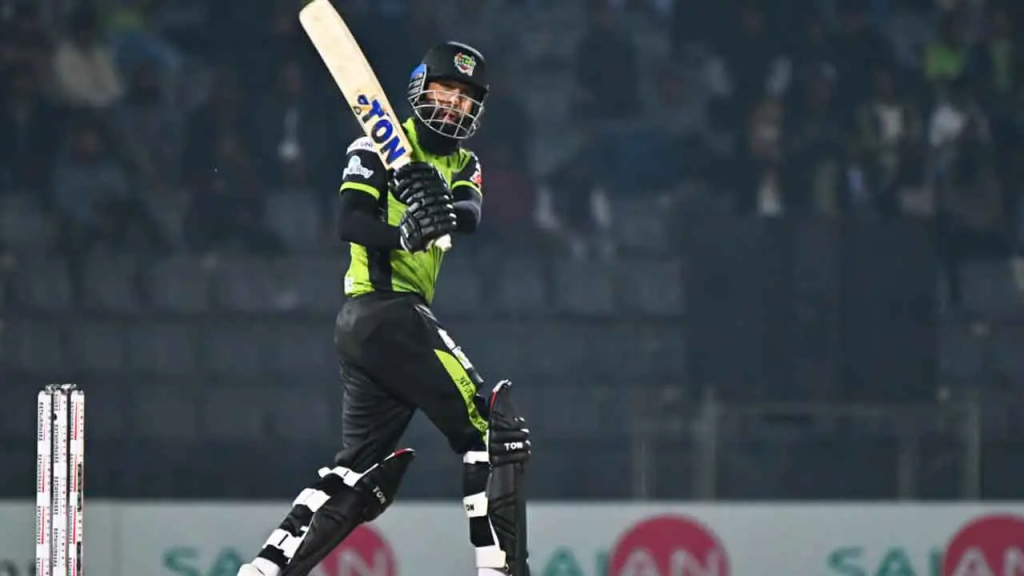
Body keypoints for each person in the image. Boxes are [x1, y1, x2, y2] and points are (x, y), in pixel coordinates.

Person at [237, 42, 531, 576]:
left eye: (465, 98)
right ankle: (503, 570)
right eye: (445, 89)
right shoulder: (375, 143)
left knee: (356, 472)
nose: (454, 103)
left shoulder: (465, 162)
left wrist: (437, 204)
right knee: (494, 432)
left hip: (374, 333)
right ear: (421, 88)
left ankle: (266, 569)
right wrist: (403, 233)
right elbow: (349, 221)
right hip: (384, 311)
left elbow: (470, 213)